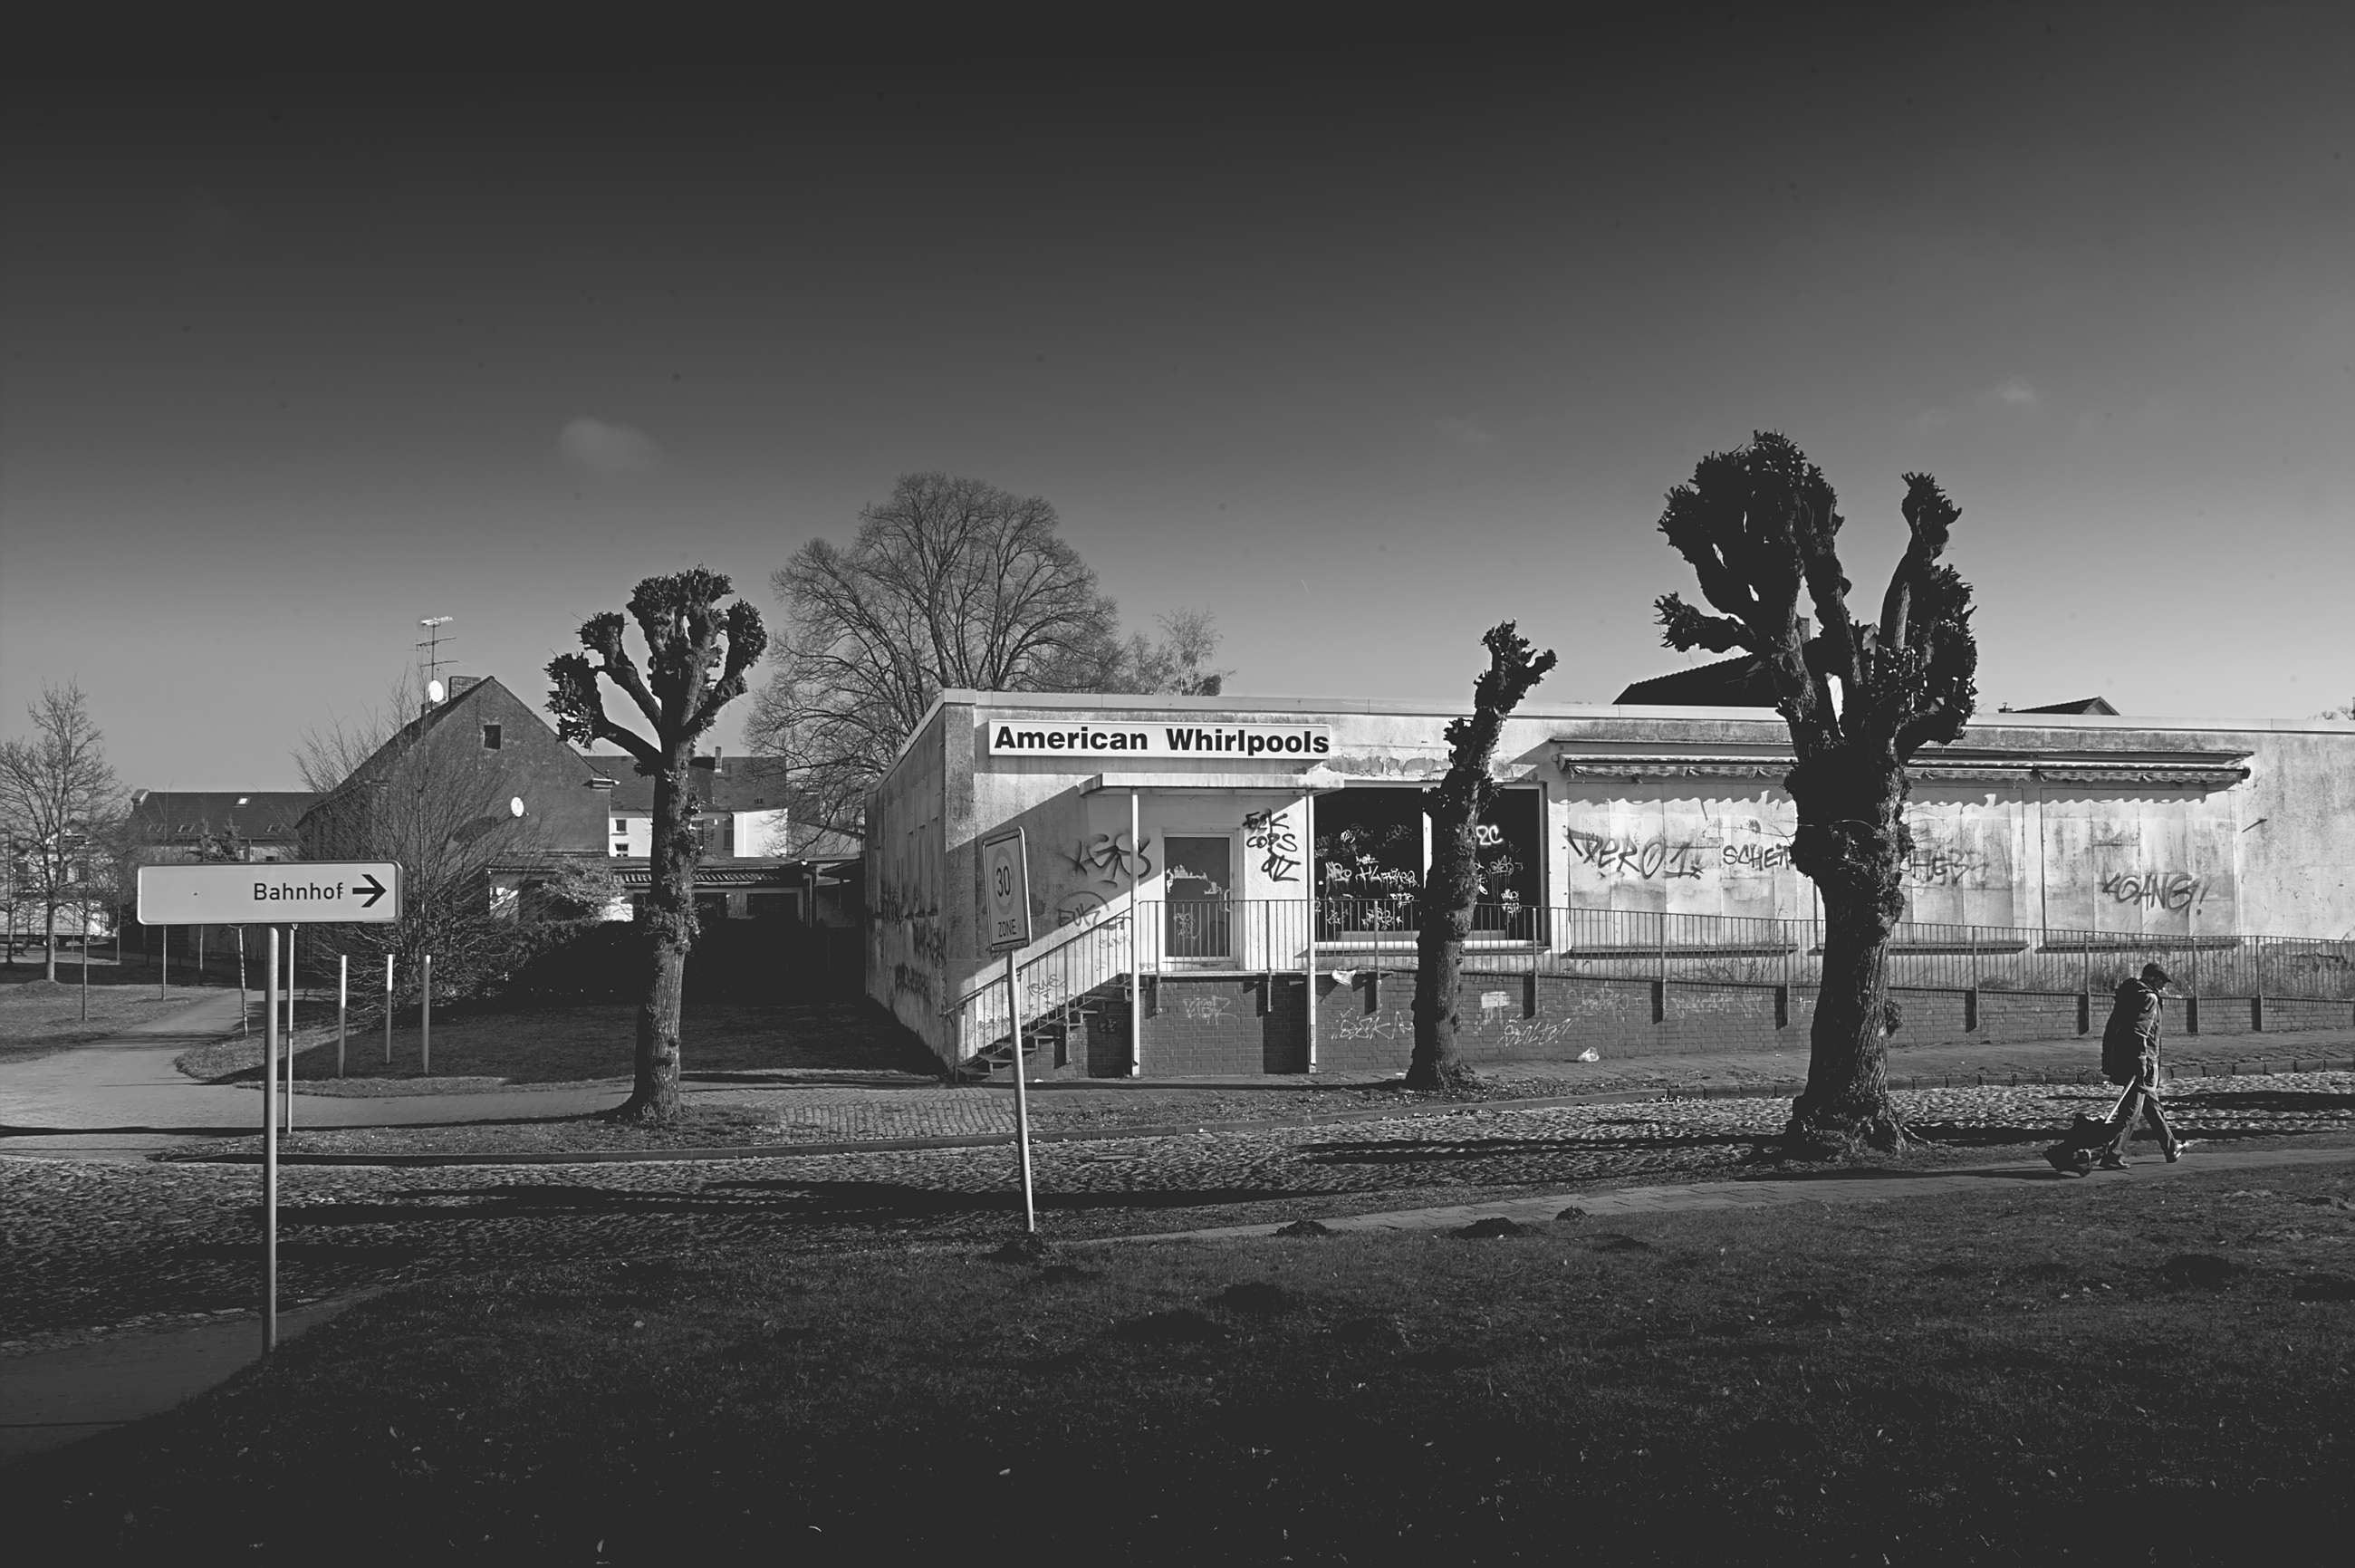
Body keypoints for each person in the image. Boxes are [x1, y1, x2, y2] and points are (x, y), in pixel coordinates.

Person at [2099, 961, 2185, 1169]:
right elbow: (2139, 1032)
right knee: (2131, 1111)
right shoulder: (2149, 998)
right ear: (2155, 979)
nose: (2164, 986)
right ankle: (2114, 1153)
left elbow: (2113, 1029)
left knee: (2152, 1107)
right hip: (2140, 1061)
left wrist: (2109, 1059)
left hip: (2123, 1058)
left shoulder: (2128, 994)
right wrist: (2141, 1062)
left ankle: (2171, 1147)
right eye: (2163, 981)